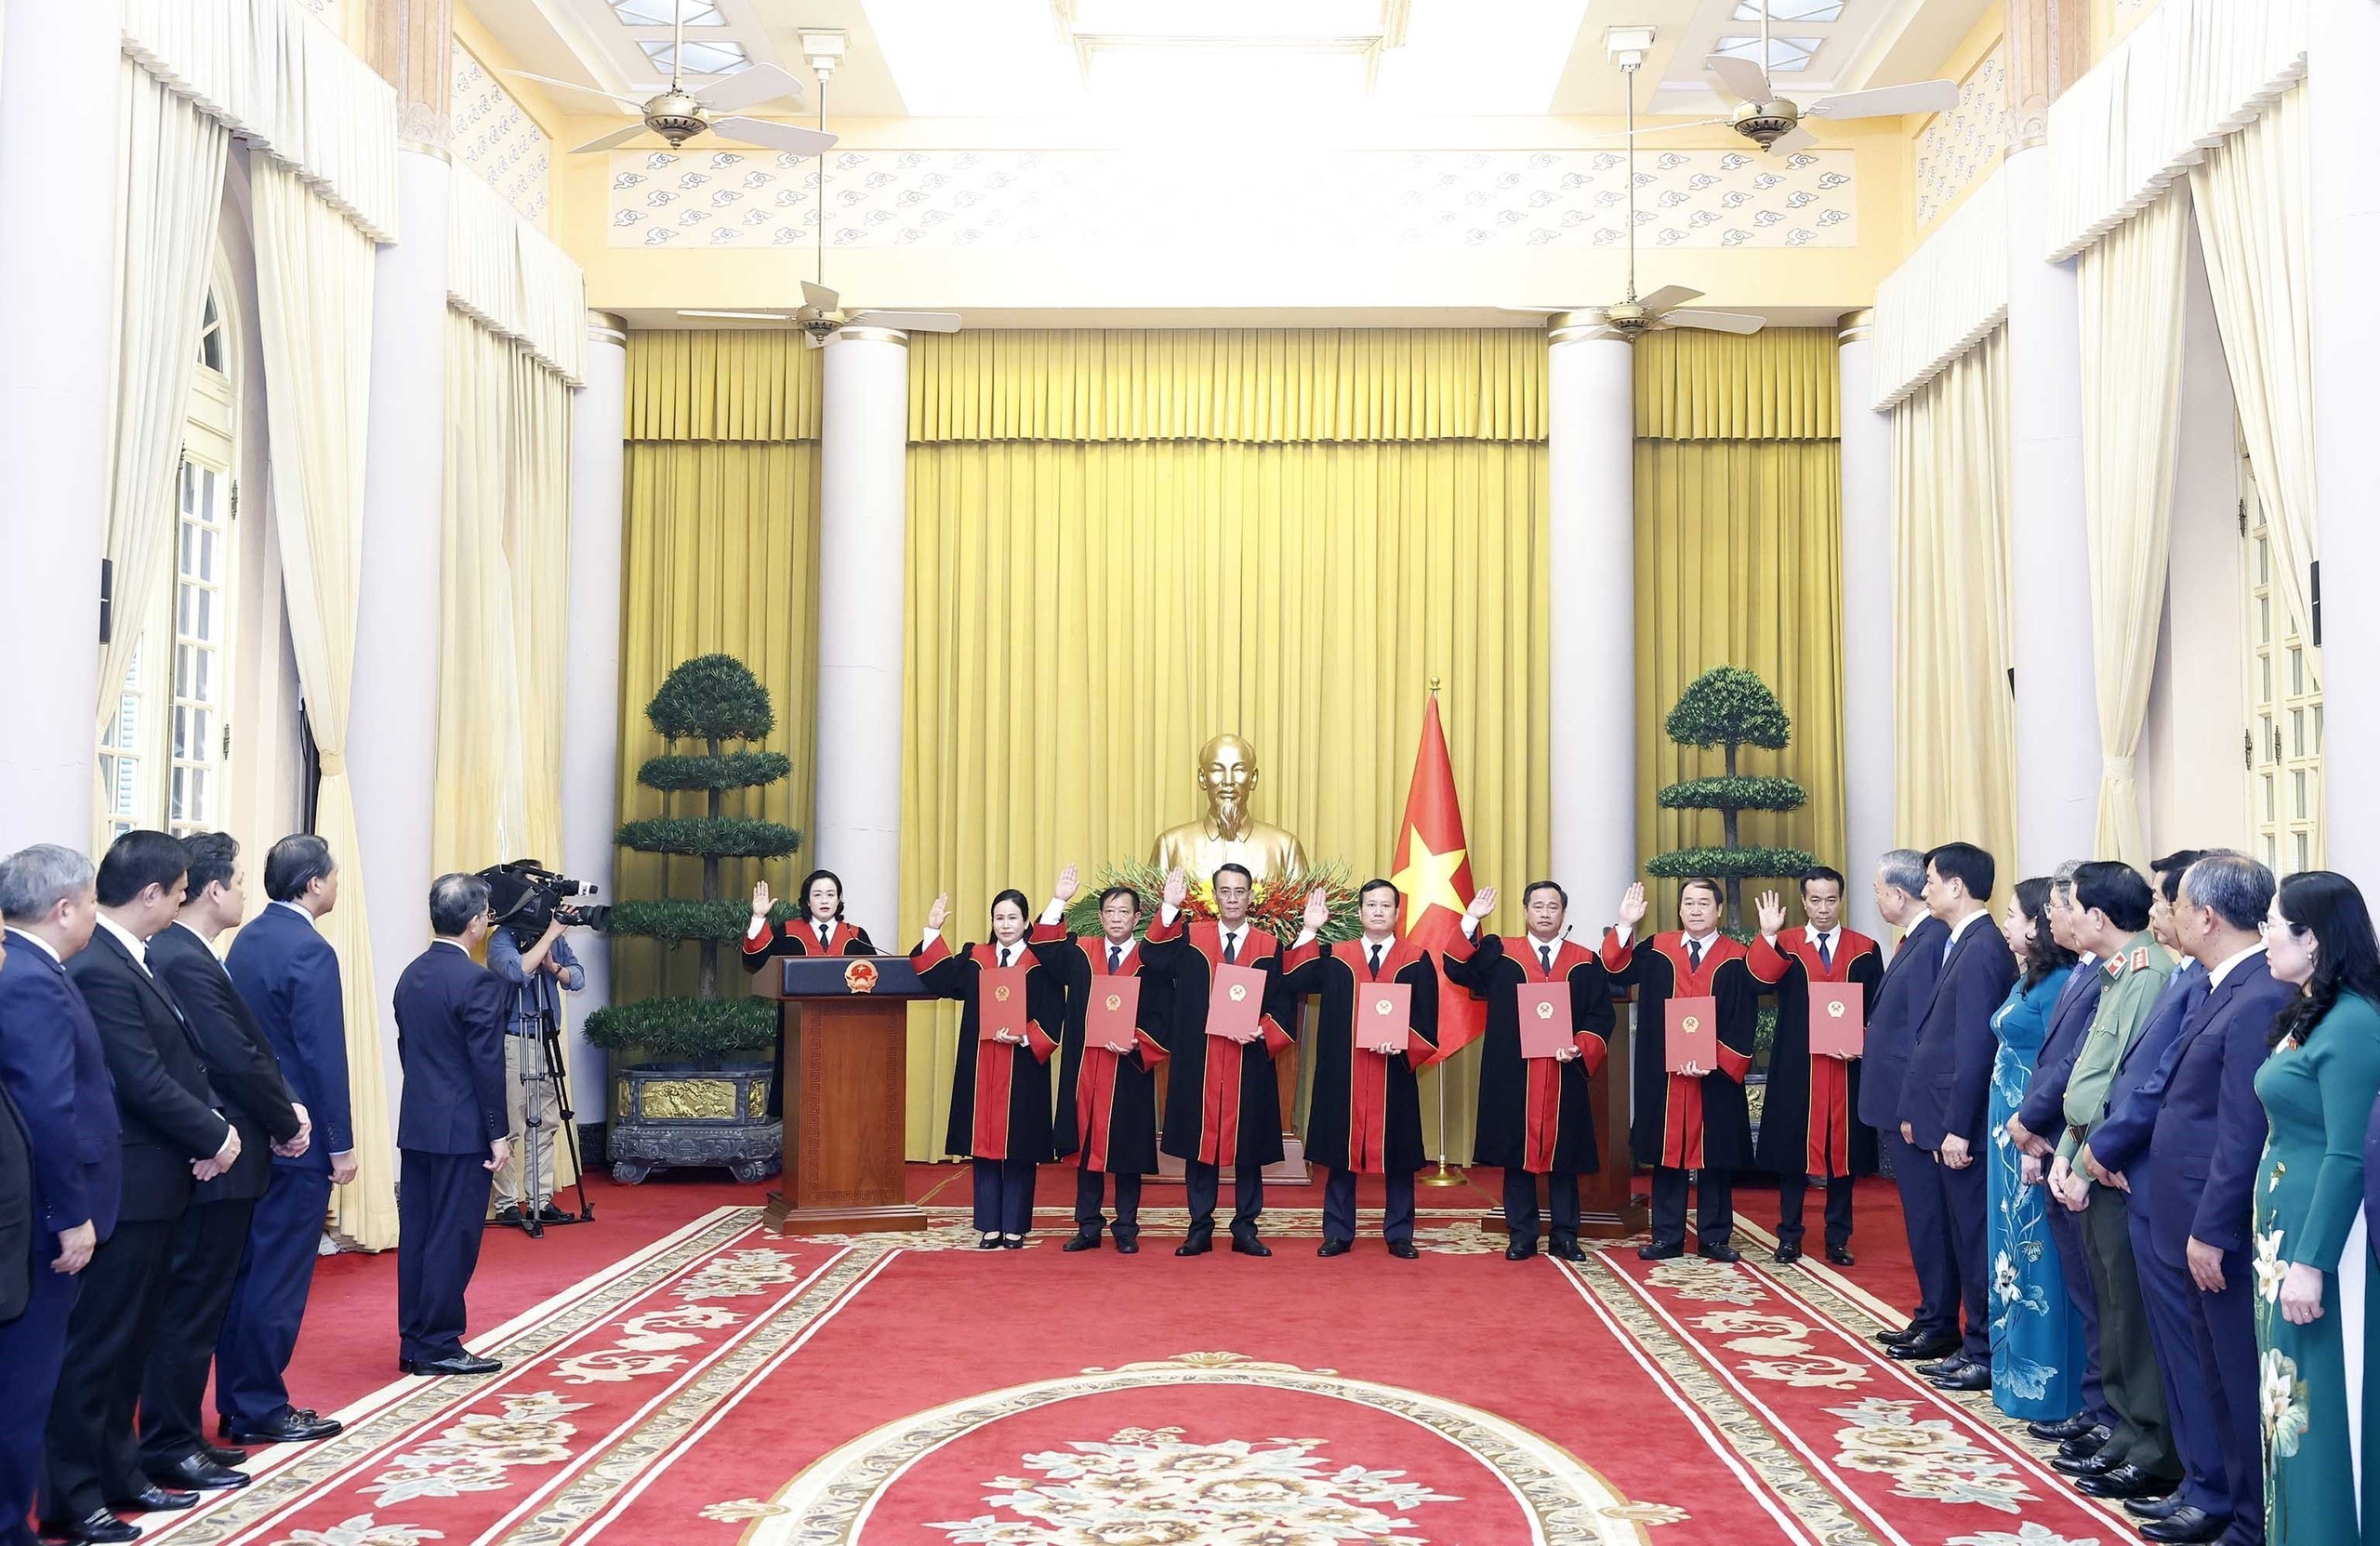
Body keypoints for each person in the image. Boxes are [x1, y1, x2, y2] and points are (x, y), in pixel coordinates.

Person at [2092, 852, 2290, 1546]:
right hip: (2174, 1203)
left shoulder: (2258, 992)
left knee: (2228, 1372)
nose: (2165, 915)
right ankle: (2206, 1487)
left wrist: (2213, 1227)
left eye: (2175, 905)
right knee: (2198, 1366)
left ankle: (2239, 1511)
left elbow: (2240, 1128)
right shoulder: (2217, 983)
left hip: (2210, 1217)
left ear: (2206, 916)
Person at [46, 831, 236, 1543]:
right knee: (97, 1347)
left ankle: (119, 1472)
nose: (184, 902)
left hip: (158, 1183)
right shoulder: (100, 965)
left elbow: (178, 1061)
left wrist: (208, 1128)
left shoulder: (136, 956)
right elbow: (141, 1078)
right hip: (126, 1185)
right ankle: (73, 1493)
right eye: (179, 891)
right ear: (151, 894)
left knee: (131, 1342)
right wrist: (214, 1133)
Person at [139, 835, 305, 1496]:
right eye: (237, 882)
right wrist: (286, 1121)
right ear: (212, 891)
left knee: (204, 1304)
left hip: (228, 1149)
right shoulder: (181, 956)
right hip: (215, 1154)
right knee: (190, 1307)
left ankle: (184, 1435)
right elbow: (230, 1058)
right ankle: (170, 1440)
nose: (243, 894)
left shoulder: (195, 953)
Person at [2072, 854, 2223, 1534]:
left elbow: (2147, 1082)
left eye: (2170, 900)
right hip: (2111, 1156)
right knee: (2119, 1309)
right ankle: (2139, 1435)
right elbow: (2110, 1071)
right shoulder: (2172, 974)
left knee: (2147, 1323)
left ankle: (2162, 1452)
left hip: (2142, 1168)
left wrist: (2103, 1150)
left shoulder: (2163, 973)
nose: (2161, 911)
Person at [2045, 860, 2181, 1501]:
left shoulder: (2148, 973)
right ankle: (2125, 1428)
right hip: (2090, 1153)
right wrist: (2069, 1153)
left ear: (2098, 916)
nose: (2066, 917)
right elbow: (2089, 1076)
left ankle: (2148, 1442)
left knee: (2128, 1309)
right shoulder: (2119, 970)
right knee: (2110, 1303)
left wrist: (2085, 1159)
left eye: (2072, 906)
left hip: (2115, 1164)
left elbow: (2128, 1081)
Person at [2252, 870, 2380, 1546]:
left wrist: (2312, 1263)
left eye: (2274, 923)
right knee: (2287, 1405)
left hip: (2329, 1243)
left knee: (2324, 1404)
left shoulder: (2354, 1022)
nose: (2266, 935)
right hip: (2284, 1243)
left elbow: (2349, 1153)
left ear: (2314, 938)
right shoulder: (2313, 1011)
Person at [217, 834, 350, 1446]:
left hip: (251, 1130)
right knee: (279, 1278)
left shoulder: (246, 939)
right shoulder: (311, 950)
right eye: (332, 875)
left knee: (247, 1271)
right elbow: (324, 1057)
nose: (335, 884)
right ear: (314, 883)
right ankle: (262, 1405)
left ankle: (237, 1400)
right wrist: (340, 1142)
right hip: (300, 1139)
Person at [0, 846, 112, 1546]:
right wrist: (70, 1214)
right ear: (65, 908)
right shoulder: (29, 978)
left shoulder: (33, 968)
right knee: (24, 1385)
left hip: (40, 1211)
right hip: (43, 1219)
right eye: (93, 901)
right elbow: (47, 1107)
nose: (97, 915)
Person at [1897, 840, 2019, 1391]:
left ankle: (1984, 1349)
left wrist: (1957, 1126)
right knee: (1960, 1234)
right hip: (1943, 1114)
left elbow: (1975, 1047)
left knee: (1974, 1239)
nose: (1924, 889)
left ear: (1956, 885)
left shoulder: (1982, 947)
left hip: (1961, 1124)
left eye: (1930, 880)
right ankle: (1972, 1341)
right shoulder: (1961, 942)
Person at [2006, 862, 2121, 1451]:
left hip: (2073, 1144)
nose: (2056, 918)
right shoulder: (2084, 970)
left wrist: (2034, 1124)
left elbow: (2082, 1069)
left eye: (2063, 907)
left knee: (2102, 1297)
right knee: (2087, 1290)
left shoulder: (2115, 974)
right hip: (2060, 1143)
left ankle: (2105, 1413)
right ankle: (2096, 1406)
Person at [1604, 877, 1776, 1262]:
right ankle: (1666, 1237)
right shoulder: (1656, 948)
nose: (1695, 910)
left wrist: (1718, 1058)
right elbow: (1615, 970)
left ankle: (1714, 1238)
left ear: (1719, 910)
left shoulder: (1737, 955)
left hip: (1716, 1072)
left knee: (1716, 1155)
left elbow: (1756, 995)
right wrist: (1626, 924)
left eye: (1703, 903)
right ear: (1679, 910)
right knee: (1667, 1155)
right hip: (1664, 1072)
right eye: (1688, 903)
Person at [1444, 880, 1616, 1262]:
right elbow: (1457, 969)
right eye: (1537, 906)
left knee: (1565, 1158)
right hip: (1514, 1071)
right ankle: (1521, 1235)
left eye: (1553, 907)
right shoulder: (1500, 954)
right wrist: (1470, 919)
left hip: (1564, 1070)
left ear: (1563, 913)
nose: (1545, 913)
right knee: (1516, 1157)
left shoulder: (1585, 961)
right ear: (1525, 911)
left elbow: (1600, 1016)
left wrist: (1580, 1045)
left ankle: (1565, 1236)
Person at [1278, 879, 1440, 1259]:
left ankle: (1399, 1234)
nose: (1378, 911)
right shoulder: (1336, 955)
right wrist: (1309, 930)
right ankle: (1338, 1232)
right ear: (1360, 911)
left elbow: (1428, 1019)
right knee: (1340, 1153)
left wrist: (1403, 1042)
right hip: (1344, 1071)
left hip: (1393, 1071)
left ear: (1397, 913)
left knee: (1399, 1156)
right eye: (1371, 905)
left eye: (1385, 905)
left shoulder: (1416, 959)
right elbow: (1294, 980)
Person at [1142, 864, 1297, 1257]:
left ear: (1251, 897)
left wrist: (1262, 1030)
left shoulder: (1268, 946)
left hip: (1248, 1060)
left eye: (1239, 891)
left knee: (1250, 1146)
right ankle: (1199, 1228)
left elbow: (1282, 1003)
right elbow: (1152, 958)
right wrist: (1168, 907)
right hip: (1201, 1058)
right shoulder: (1190, 938)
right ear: (1214, 896)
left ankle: (1246, 1228)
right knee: (1200, 1144)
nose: (1232, 898)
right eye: (1224, 891)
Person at [392, 874, 510, 1378]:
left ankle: (414, 1338)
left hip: (419, 1122)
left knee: (418, 1234)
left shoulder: (411, 974)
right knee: (452, 1236)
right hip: (462, 1128)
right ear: (475, 922)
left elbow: (408, 1052)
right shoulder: (477, 981)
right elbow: (487, 1065)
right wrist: (497, 1132)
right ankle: (438, 1342)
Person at [912, 879, 1064, 1249]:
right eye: (999, 918)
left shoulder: (1040, 963)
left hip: (1023, 1065)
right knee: (984, 1146)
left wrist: (1026, 1036)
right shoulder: (976, 957)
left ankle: (1015, 1226)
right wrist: (933, 929)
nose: (1005, 924)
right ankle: (989, 1226)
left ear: (1026, 922)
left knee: (1020, 1146)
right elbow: (940, 979)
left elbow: (1054, 1011)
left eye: (1013, 918)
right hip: (980, 1063)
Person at [1982, 877, 2082, 1418]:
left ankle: (2050, 1384)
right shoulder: (2029, 977)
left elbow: (2057, 1065)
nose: (2006, 924)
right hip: (2005, 1127)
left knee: (2038, 1252)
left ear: (2038, 925)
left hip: (2032, 1131)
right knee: (2009, 1249)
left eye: (2013, 915)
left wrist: (2033, 1135)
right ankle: (2010, 1370)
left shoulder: (2061, 982)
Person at [1750, 867, 1884, 1267]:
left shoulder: (1864, 948)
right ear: (1803, 902)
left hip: (1845, 1066)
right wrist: (1767, 935)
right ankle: (1789, 1236)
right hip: (1797, 1066)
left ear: (1840, 900)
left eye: (1830, 899)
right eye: (1815, 900)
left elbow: (1878, 1009)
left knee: (1844, 1155)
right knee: (1793, 1151)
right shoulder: (1785, 944)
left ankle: (1838, 1238)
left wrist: (1861, 1041)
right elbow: (1758, 981)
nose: (1823, 908)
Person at [1029, 877, 1170, 1254]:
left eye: (1124, 911)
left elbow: (1162, 1013)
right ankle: (1088, 1225)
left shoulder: (1150, 959)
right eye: (1110, 911)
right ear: (1101, 916)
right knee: (1086, 1147)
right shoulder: (1081, 952)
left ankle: (1126, 1227)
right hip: (1086, 1068)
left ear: (1137, 918)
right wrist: (1058, 900)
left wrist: (1139, 1042)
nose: (1117, 918)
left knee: (1128, 1151)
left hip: (1128, 1066)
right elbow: (1043, 948)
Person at [1862, 849, 1956, 1357]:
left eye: (1878, 891)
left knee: (1929, 1217)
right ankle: (1929, 1313)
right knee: (1920, 1217)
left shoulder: (1931, 941)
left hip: (1912, 1109)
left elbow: (1925, 1034)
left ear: (1899, 895)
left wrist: (1910, 1108)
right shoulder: (1915, 939)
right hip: (1901, 1103)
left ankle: (1940, 1320)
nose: (1877, 899)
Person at [485, 913, 583, 1235]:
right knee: (512, 1124)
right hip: (515, 1039)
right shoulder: (503, 938)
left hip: (546, 1038)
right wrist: (549, 936)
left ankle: (540, 1200)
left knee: (547, 1123)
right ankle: (506, 1204)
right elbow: (517, 971)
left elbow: (578, 978)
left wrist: (554, 967)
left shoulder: (554, 939)